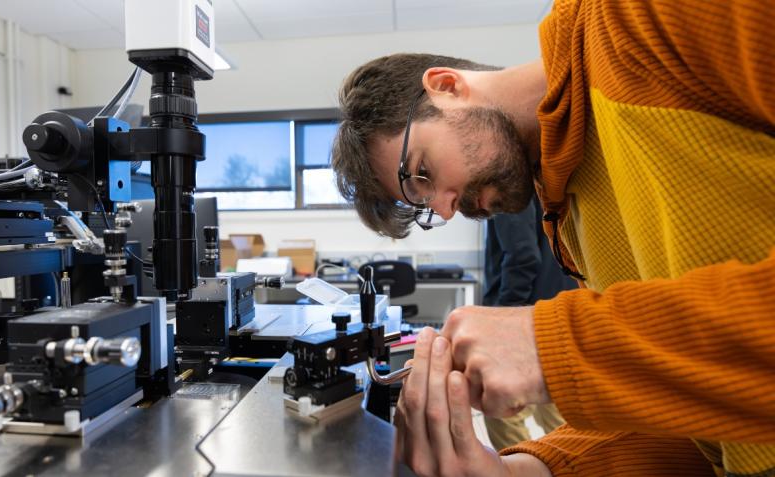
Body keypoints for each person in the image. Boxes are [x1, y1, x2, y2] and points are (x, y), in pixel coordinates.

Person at [330, 0, 775, 475]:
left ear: (446, 86)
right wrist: (529, 469)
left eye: (422, 171)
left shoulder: (644, 19)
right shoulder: (565, 212)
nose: (445, 208)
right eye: (425, 207)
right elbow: (689, 410)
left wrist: (558, 346)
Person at [481, 195, 574, 449]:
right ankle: (565, 462)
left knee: (501, 412)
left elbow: (522, 256)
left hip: (527, 320)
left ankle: (527, 464)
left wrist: (504, 319)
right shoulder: (544, 183)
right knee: (556, 412)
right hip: (555, 311)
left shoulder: (506, 188)